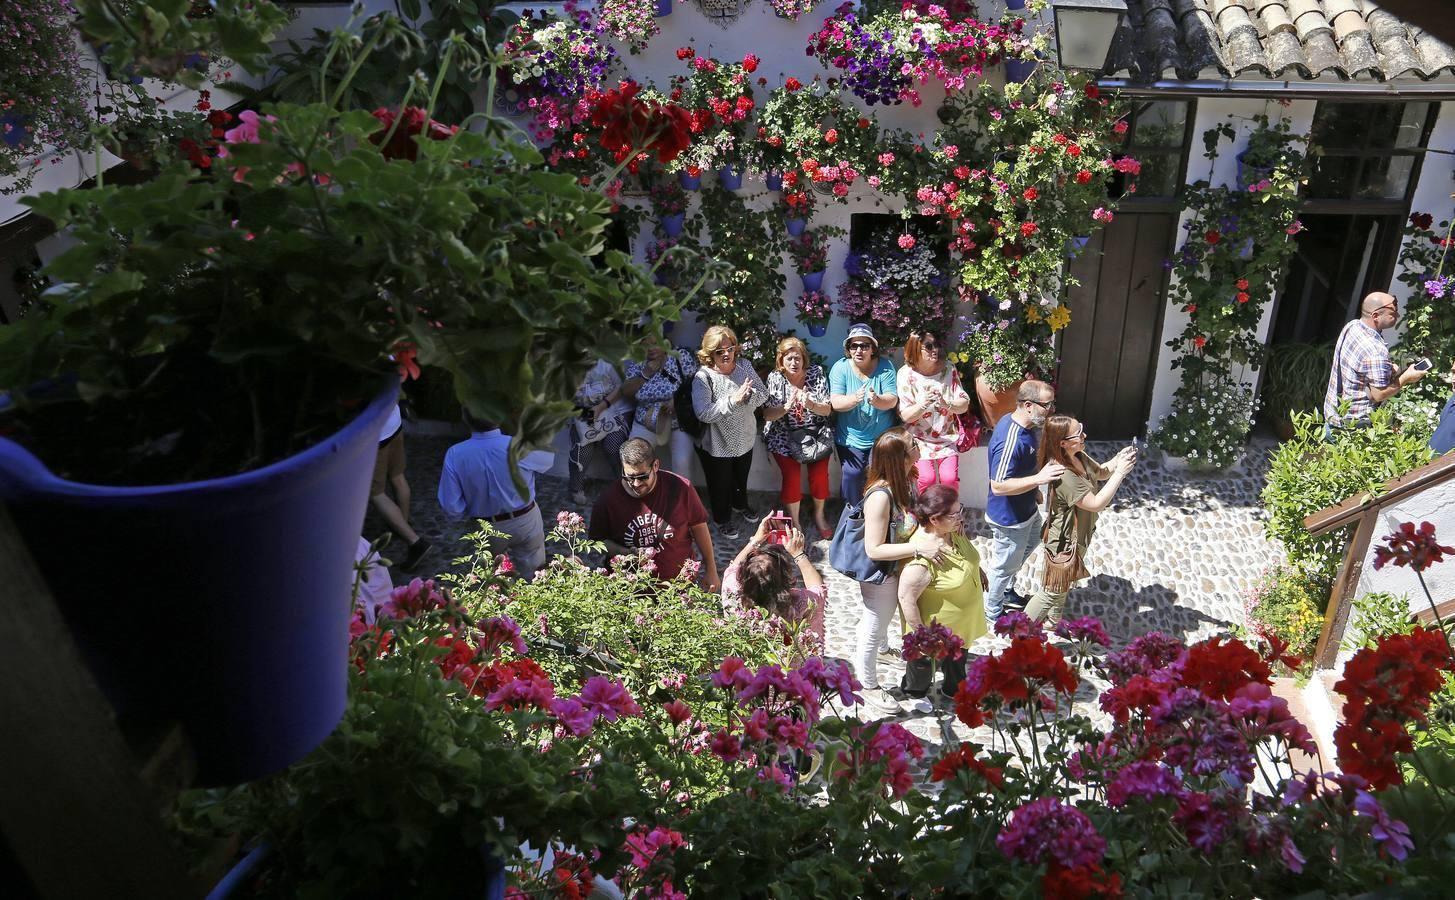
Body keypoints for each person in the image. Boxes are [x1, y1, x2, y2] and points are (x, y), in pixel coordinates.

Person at [854, 426, 948, 718]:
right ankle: (866, 684)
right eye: (912, 444)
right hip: (880, 572)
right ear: (901, 458)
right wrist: (919, 550)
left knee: (882, 619)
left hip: (896, 567)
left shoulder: (906, 481)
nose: (918, 445)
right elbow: (874, 549)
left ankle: (883, 650)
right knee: (874, 622)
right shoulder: (880, 496)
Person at [1024, 415, 1136, 625]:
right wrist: (1120, 473)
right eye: (1079, 433)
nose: (1085, 435)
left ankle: (1053, 620)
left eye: (1082, 428)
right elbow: (1095, 503)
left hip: (1079, 537)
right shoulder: (1064, 474)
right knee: (1051, 591)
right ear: (1063, 443)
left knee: (1063, 583)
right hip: (1064, 543)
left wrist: (1118, 460)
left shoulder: (1078, 455)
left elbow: (1101, 472)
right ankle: (1017, 631)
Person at [589, 438, 721, 591]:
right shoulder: (607, 500)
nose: (636, 484)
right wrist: (626, 552)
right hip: (629, 589)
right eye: (630, 477)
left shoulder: (680, 488)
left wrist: (711, 569)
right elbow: (597, 542)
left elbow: (699, 527)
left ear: (656, 465)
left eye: (642, 477)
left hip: (677, 586)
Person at [437, 412, 555, 581]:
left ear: (465, 418)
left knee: (495, 583)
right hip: (525, 519)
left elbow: (451, 507)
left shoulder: (455, 454)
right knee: (535, 575)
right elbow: (547, 461)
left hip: (487, 526)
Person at [896, 484, 987, 700]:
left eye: (960, 510)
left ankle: (952, 689)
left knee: (958, 663)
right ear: (934, 520)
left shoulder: (953, 531)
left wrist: (976, 569)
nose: (961, 517)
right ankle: (914, 692)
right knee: (921, 669)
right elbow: (906, 599)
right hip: (934, 634)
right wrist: (924, 637)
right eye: (954, 514)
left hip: (961, 626)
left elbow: (965, 558)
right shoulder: (921, 560)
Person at [984, 380, 1064, 625]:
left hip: (1026, 510)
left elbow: (1021, 469)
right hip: (1009, 519)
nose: (1050, 410)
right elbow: (997, 485)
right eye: (1046, 405)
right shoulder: (1011, 438)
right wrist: (1039, 479)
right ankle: (993, 611)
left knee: (1027, 548)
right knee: (1003, 565)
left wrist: (1035, 490)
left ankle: (1007, 589)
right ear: (1028, 406)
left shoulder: (1029, 427)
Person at [692, 325, 771, 540]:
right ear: (710, 354)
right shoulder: (703, 377)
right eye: (719, 351)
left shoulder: (744, 365)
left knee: (740, 478)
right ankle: (722, 519)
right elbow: (703, 412)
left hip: (744, 438)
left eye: (730, 348)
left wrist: (748, 396)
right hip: (718, 444)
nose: (726, 354)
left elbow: (763, 394)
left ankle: (740, 505)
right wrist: (733, 400)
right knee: (720, 485)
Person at [721, 512, 827, 659]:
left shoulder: (732, 593)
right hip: (788, 679)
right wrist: (798, 554)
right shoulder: (799, 604)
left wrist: (756, 540)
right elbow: (819, 590)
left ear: (744, 576)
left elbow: (733, 568)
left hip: (745, 676)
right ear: (785, 577)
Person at [1323, 291, 1428, 438]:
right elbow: (1378, 395)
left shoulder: (1352, 326)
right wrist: (1406, 378)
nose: (1397, 316)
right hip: (1351, 429)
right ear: (1375, 316)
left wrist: (1387, 367)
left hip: (1333, 416)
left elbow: (1360, 365)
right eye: (1393, 313)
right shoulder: (1376, 351)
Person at [762, 337, 835, 540]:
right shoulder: (775, 378)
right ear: (781, 361)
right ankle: (795, 521)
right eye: (789, 359)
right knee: (792, 477)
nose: (794, 363)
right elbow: (767, 414)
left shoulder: (816, 374)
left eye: (798, 358)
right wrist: (785, 408)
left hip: (815, 434)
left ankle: (819, 514)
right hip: (783, 436)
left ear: (804, 359)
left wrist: (810, 404)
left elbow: (827, 410)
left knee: (819, 475)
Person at [830, 324, 899, 506]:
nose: (859, 350)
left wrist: (876, 400)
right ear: (848, 348)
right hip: (851, 438)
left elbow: (892, 399)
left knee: (877, 475)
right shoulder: (840, 368)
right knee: (852, 474)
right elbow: (835, 403)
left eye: (864, 345)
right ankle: (852, 513)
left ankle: (878, 512)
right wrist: (854, 399)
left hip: (880, 437)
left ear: (872, 349)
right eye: (854, 346)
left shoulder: (885, 367)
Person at [897, 329, 973, 493]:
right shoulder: (905, 374)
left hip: (946, 437)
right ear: (915, 348)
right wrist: (922, 405)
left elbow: (964, 403)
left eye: (937, 345)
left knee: (949, 479)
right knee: (926, 479)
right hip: (919, 439)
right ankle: (922, 515)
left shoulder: (948, 369)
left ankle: (948, 514)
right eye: (929, 346)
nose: (935, 350)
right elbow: (906, 415)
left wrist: (947, 404)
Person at [623, 342, 698, 478]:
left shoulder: (680, 356)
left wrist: (678, 400)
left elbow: (697, 383)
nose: (650, 348)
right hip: (646, 420)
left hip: (677, 421)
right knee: (634, 460)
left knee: (682, 463)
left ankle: (681, 497)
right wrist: (646, 374)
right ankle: (641, 495)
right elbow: (626, 391)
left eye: (655, 343)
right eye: (646, 345)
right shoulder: (639, 360)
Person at [370, 403, 430, 571]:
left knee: (376, 493)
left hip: (378, 434)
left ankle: (414, 541)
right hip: (394, 422)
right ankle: (401, 524)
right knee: (397, 476)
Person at [569, 359, 635, 506]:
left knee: (614, 447)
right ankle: (576, 488)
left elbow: (621, 387)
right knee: (583, 448)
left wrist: (600, 407)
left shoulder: (608, 361)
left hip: (615, 411)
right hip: (584, 412)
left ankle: (626, 486)